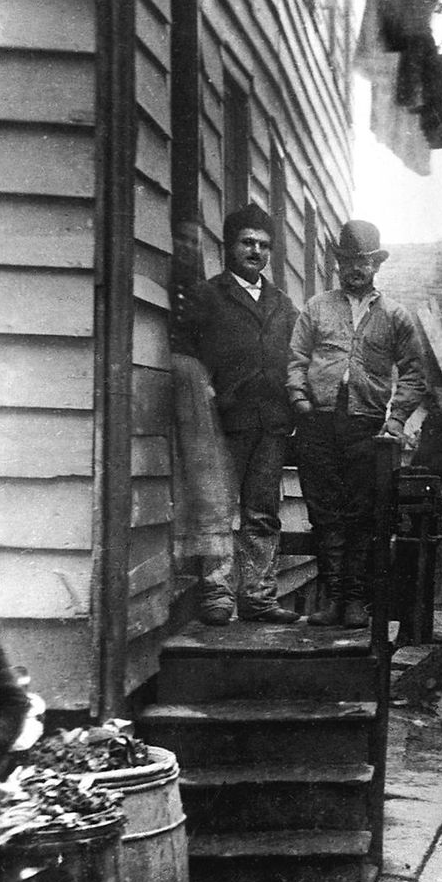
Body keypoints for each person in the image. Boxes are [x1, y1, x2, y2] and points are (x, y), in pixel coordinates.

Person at [288, 220, 426, 628]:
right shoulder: (317, 307)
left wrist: (395, 420)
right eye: (347, 260)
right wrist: (300, 399)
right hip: (318, 423)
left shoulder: (395, 316)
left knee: (362, 513)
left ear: (376, 264)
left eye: (363, 261)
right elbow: (296, 359)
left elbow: (414, 374)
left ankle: (354, 601)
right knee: (324, 510)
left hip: (366, 426)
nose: (354, 268)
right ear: (338, 263)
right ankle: (332, 599)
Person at [183, 204, 300, 625]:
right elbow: (187, 353)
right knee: (218, 509)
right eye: (247, 243)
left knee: (262, 512)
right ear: (229, 247)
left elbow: (298, 357)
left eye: (264, 245)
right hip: (223, 422)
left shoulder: (282, 304)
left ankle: (258, 596)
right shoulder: (208, 295)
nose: (255, 251)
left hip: (271, 423)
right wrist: (207, 389)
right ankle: (217, 594)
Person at [168, 218, 239, 611]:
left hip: (198, 391)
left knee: (208, 478)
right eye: (180, 240)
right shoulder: (158, 287)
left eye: (195, 243)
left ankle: (215, 583)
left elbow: (220, 346)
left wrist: (212, 382)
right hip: (162, 386)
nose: (187, 249)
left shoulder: (208, 294)